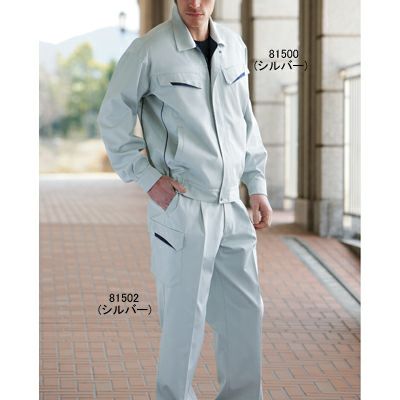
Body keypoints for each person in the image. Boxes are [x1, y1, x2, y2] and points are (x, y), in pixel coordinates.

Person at [97, 0, 273, 398]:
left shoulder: (234, 46)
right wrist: (147, 177)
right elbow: (112, 117)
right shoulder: (149, 50)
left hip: (231, 207)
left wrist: (257, 184)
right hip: (183, 207)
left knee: (245, 314)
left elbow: (245, 121)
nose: (195, 3)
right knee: (183, 323)